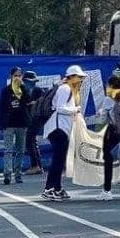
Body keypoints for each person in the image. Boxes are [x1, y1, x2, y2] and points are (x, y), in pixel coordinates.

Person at [41, 66, 86, 202]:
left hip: (60, 128)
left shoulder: (68, 89)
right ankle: (52, 188)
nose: (81, 80)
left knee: (59, 159)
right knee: (58, 159)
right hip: (57, 128)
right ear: (71, 77)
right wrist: (76, 109)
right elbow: (60, 108)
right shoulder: (65, 89)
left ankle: (54, 187)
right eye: (79, 77)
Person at [0, 67, 31, 186]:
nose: (17, 77)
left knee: (20, 151)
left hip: (21, 124)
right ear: (11, 77)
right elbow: (1, 108)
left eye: (19, 75)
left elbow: (28, 100)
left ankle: (18, 174)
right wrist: (2, 125)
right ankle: (7, 174)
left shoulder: (23, 89)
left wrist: (22, 86)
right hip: (9, 124)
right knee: (8, 150)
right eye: (15, 75)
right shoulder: (5, 91)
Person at [22, 71, 44, 175]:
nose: (32, 83)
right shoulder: (23, 91)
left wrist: (34, 103)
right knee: (32, 142)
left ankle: (35, 166)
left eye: (34, 81)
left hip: (37, 118)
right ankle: (39, 166)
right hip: (29, 119)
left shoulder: (39, 90)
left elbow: (45, 103)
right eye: (30, 81)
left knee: (29, 141)